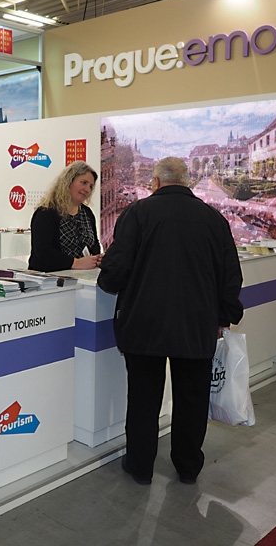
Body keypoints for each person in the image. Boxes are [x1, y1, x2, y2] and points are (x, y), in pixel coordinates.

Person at [97, 157, 244, 485]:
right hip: (197, 325)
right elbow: (230, 277)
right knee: (192, 399)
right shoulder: (213, 219)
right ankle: (188, 467)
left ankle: (140, 467)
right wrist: (224, 317)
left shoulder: (137, 214)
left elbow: (116, 269)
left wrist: (106, 280)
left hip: (144, 324)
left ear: (155, 182)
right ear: (187, 181)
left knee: (143, 399)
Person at [28, 160, 102, 272]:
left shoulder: (87, 213)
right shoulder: (45, 213)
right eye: (83, 183)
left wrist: (96, 258)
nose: (87, 189)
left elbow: (94, 244)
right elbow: (43, 252)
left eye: (91, 186)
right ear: (68, 181)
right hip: (48, 278)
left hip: (80, 277)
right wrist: (75, 263)